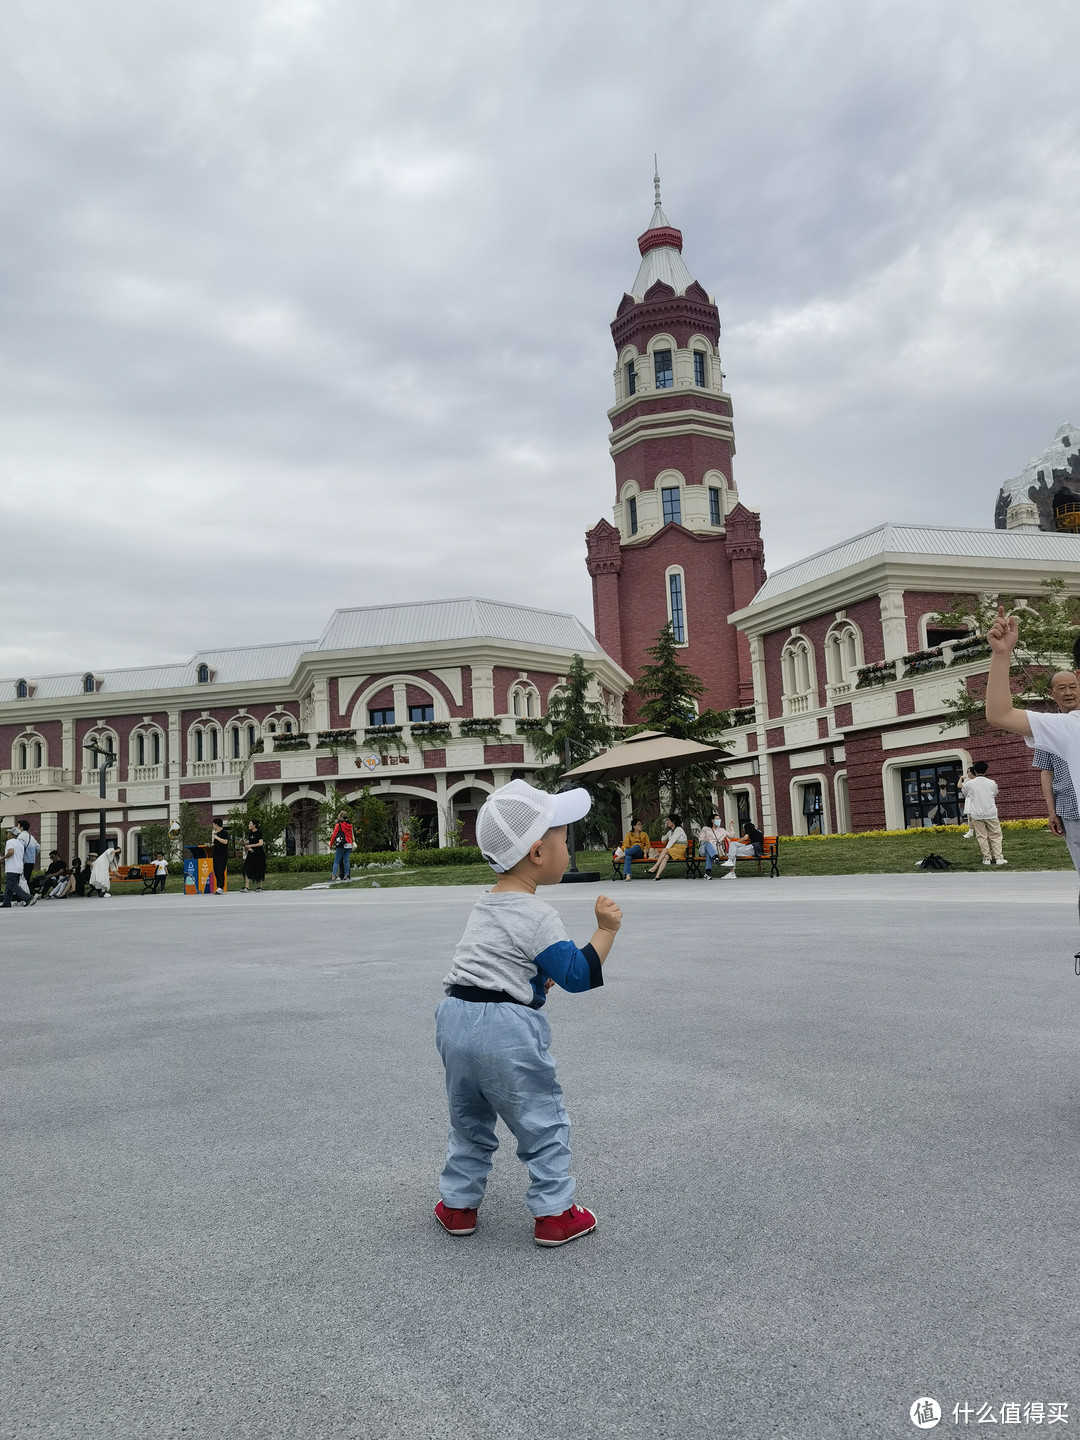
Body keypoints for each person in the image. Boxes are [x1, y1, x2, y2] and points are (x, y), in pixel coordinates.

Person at [435, 778, 621, 1248]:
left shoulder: (485, 904)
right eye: (562, 836)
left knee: (469, 1119)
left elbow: (495, 962)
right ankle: (556, 1213)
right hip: (506, 1029)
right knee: (541, 1118)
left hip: (455, 1016)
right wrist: (605, 930)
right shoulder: (538, 915)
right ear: (538, 853)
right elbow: (578, 973)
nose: (567, 843)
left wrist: (536, 978)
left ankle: (458, 1206)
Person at [1033, 671, 1080, 874]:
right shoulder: (1048, 728)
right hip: (1070, 809)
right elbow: (1046, 772)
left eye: (1073, 686)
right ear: (1052, 693)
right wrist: (1051, 812)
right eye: (1061, 688)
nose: (1068, 692)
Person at [960, 760, 1006, 866]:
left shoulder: (969, 784)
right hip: (990, 812)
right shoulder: (992, 783)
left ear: (974, 771)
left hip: (976, 813)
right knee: (995, 835)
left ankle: (987, 858)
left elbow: (965, 794)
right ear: (986, 770)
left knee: (982, 836)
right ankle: (998, 858)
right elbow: (995, 793)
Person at [2, 825, 36, 907]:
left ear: (11, 834)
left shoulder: (10, 842)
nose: (7, 834)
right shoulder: (20, 844)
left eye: (8, 833)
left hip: (12, 867)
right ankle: (6, 902)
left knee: (12, 885)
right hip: (19, 867)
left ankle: (28, 898)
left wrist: (2, 858)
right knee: (9, 885)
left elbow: (11, 852)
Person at [648, 813, 688, 880]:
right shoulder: (670, 831)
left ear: (673, 821)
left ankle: (655, 867)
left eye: (668, 820)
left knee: (665, 851)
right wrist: (665, 833)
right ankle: (657, 876)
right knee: (666, 857)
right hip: (673, 850)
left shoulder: (679, 829)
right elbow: (663, 839)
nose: (667, 822)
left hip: (681, 849)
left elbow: (672, 841)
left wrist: (665, 850)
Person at [329, 810, 354, 882]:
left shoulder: (338, 825)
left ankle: (333, 876)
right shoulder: (350, 825)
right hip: (349, 844)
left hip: (341, 844)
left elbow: (334, 835)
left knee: (336, 860)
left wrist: (331, 844)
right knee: (346, 860)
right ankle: (347, 876)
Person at [242, 820, 266, 893]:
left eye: (250, 823)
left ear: (254, 825)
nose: (249, 825)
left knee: (259, 868)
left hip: (259, 853)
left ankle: (260, 887)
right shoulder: (250, 833)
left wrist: (250, 845)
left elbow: (260, 843)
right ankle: (247, 887)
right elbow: (250, 841)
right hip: (251, 853)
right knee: (246, 867)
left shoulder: (259, 832)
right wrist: (244, 842)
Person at [18, 821, 40, 891]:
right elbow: (38, 847)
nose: (17, 827)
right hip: (31, 861)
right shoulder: (31, 837)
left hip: (24, 861)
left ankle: (26, 896)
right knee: (27, 879)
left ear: (21, 827)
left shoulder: (20, 837)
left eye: (18, 826)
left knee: (22, 880)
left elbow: (19, 848)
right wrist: (33, 854)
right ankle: (30, 894)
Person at [211, 817, 229, 893]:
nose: (213, 826)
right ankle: (219, 886)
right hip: (216, 854)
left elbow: (225, 842)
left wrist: (217, 838)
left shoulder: (224, 833)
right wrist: (211, 845)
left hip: (222, 855)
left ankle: (221, 887)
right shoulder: (216, 833)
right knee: (216, 870)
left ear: (217, 824)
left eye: (213, 824)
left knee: (220, 870)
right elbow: (216, 844)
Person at [960, 766, 977, 838]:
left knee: (975, 816)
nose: (968, 773)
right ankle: (971, 831)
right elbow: (959, 785)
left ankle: (973, 831)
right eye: (967, 772)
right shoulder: (967, 781)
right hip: (969, 799)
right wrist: (961, 778)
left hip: (975, 800)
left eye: (969, 771)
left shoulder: (976, 780)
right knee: (970, 816)